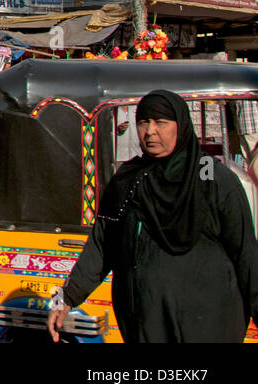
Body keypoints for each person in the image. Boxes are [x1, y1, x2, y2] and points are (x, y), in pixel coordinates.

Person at [49, 89, 258, 343]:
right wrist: (64, 299)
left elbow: (246, 253)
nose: (150, 131)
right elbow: (101, 246)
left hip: (209, 324)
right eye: (143, 122)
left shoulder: (211, 177)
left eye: (161, 122)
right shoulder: (129, 179)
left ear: (180, 126)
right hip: (146, 324)